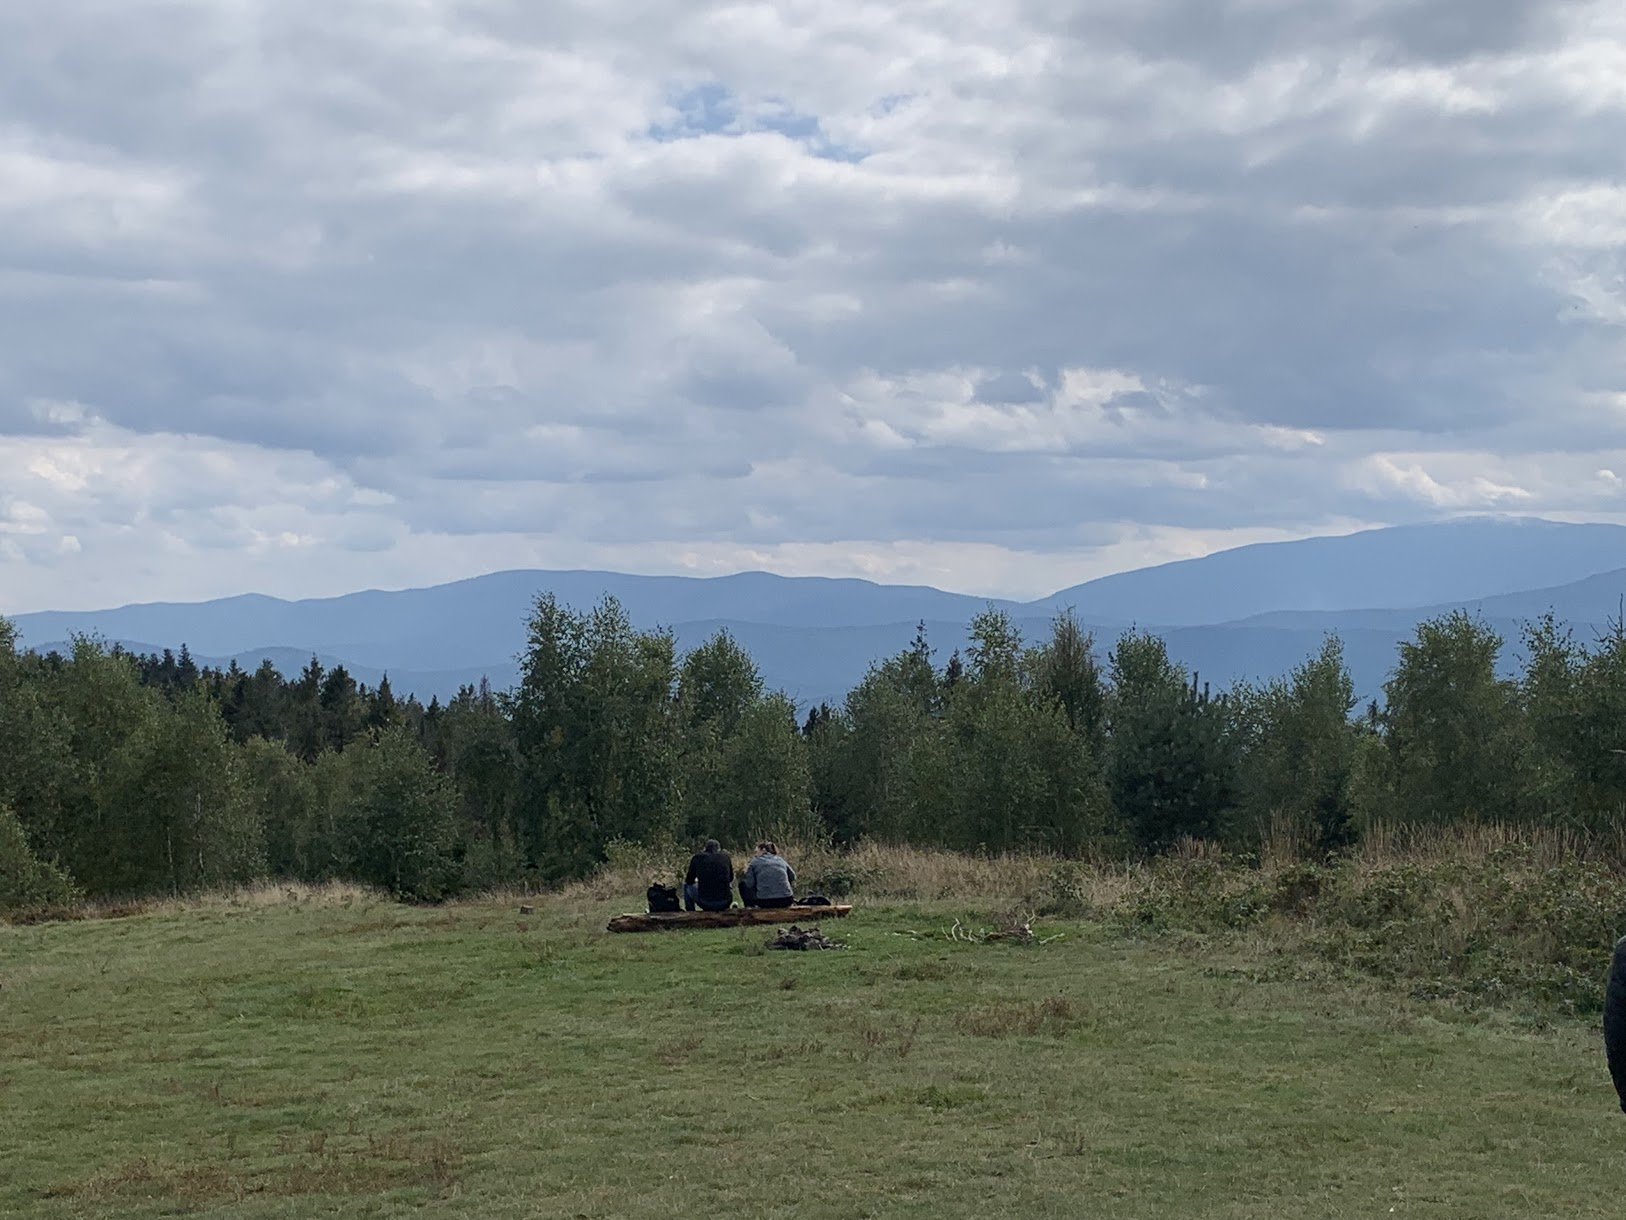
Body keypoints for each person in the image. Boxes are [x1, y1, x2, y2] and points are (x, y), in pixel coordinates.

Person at [739, 841, 796, 909]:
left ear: (763, 850)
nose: (755, 855)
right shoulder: (781, 860)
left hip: (765, 902)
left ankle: (750, 906)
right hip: (786, 900)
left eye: (756, 852)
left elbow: (749, 884)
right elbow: (793, 877)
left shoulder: (754, 862)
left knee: (742, 884)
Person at [684, 839, 734, 912]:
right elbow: (730, 878)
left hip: (705, 902)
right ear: (718, 849)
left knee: (686, 886)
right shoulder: (725, 857)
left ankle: (690, 911)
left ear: (705, 848)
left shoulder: (697, 858)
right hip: (725, 901)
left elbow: (689, 880)